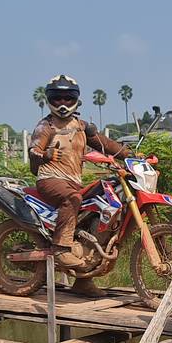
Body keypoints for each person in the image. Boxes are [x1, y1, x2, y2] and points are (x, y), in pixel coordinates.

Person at [28, 74, 129, 296]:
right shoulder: (45, 126)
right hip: (50, 180)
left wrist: (132, 155)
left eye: (67, 97)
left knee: (100, 210)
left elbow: (106, 145)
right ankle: (61, 247)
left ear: (76, 99)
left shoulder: (82, 126)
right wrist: (45, 154)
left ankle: (83, 281)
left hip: (74, 182)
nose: (62, 103)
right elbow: (33, 153)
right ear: (49, 100)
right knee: (72, 199)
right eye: (57, 98)